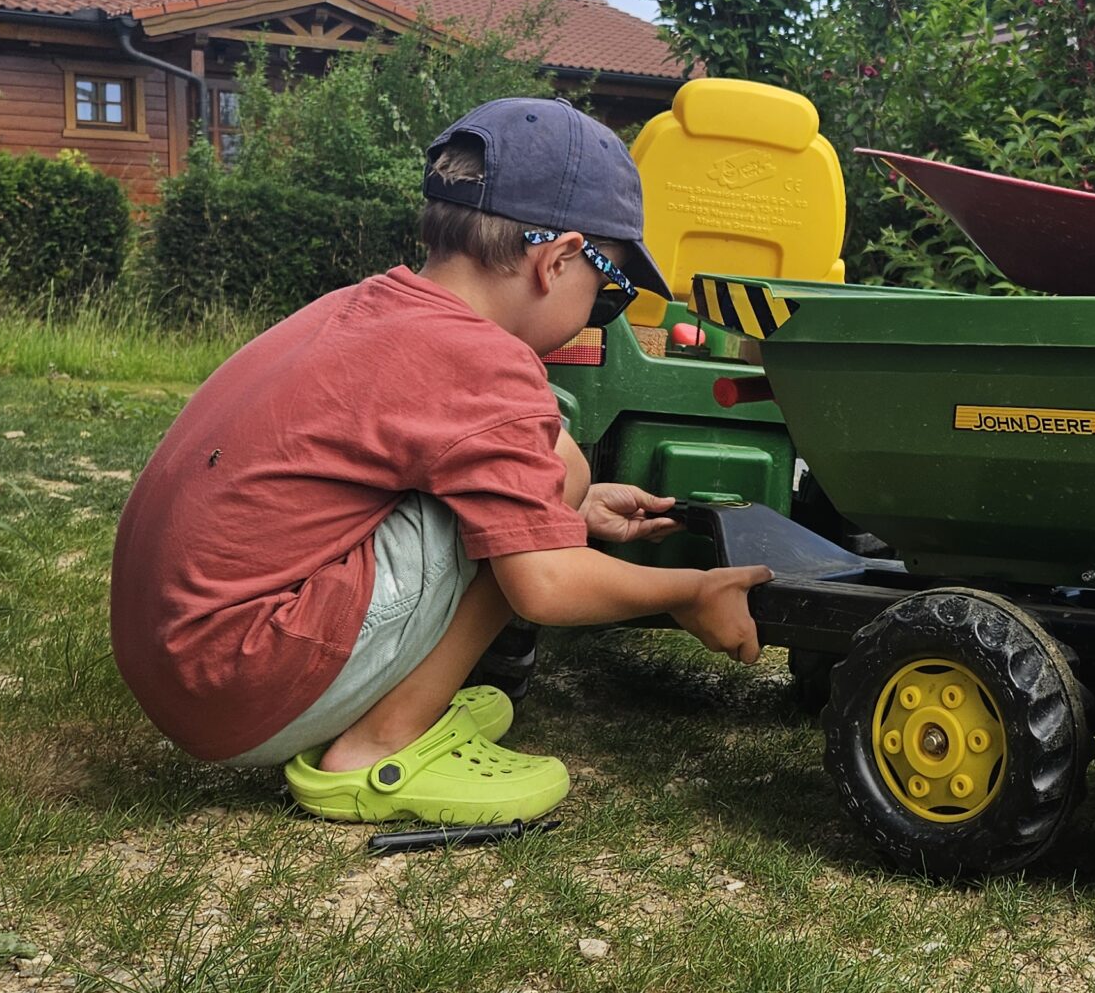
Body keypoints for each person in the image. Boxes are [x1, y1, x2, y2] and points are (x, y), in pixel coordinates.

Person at [110, 96, 769, 824]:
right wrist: (688, 590)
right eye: (608, 291)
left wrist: (570, 508)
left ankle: (385, 699)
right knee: (557, 464)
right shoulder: (487, 363)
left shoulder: (371, 306)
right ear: (554, 261)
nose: (597, 313)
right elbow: (544, 588)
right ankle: (381, 743)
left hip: (181, 667)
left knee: (556, 482)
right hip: (243, 684)